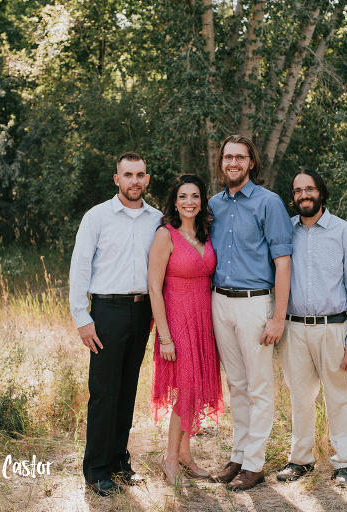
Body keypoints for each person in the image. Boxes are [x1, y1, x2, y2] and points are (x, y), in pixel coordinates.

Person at [69, 152, 162, 497]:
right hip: (106, 312)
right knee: (105, 393)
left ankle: (120, 463)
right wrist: (82, 318)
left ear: (147, 179)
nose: (134, 181)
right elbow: (80, 267)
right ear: (117, 179)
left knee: (126, 391)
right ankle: (96, 470)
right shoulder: (97, 217)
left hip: (141, 313)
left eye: (140, 175)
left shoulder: (157, 219)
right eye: (128, 175)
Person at [209, 134, 293, 490]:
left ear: (251, 163)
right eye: (228, 157)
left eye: (240, 158)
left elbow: (284, 262)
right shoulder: (212, 204)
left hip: (255, 302)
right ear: (221, 163)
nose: (233, 163)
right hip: (219, 301)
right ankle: (239, 455)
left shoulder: (268, 203)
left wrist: (278, 316)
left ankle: (255, 464)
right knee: (236, 384)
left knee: (259, 386)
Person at [276, 169, 347, 488]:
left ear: (321, 193)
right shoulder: (284, 231)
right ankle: (300, 460)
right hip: (294, 329)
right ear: (293, 197)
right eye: (298, 191)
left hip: (333, 328)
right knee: (300, 397)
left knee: (338, 395)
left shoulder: (344, 232)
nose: (304, 195)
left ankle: (344, 462)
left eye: (310, 189)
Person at [148, 174, 224, 485]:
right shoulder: (165, 236)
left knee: (195, 387)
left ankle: (185, 453)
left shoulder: (207, 235)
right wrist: (164, 336)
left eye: (195, 196)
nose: (189, 202)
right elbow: (154, 287)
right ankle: (169, 457)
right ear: (174, 202)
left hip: (203, 319)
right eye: (183, 196)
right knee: (188, 385)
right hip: (176, 320)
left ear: (202, 200)